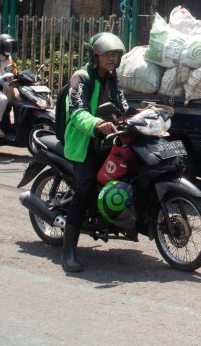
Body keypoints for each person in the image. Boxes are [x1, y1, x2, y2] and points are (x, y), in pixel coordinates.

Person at [61, 32, 129, 272]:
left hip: (109, 139)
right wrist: (97, 124)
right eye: (107, 54)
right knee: (86, 187)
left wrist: (143, 116)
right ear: (95, 56)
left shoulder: (112, 79)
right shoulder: (80, 78)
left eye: (115, 55)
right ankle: (68, 251)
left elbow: (123, 107)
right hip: (83, 142)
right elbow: (78, 112)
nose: (112, 59)